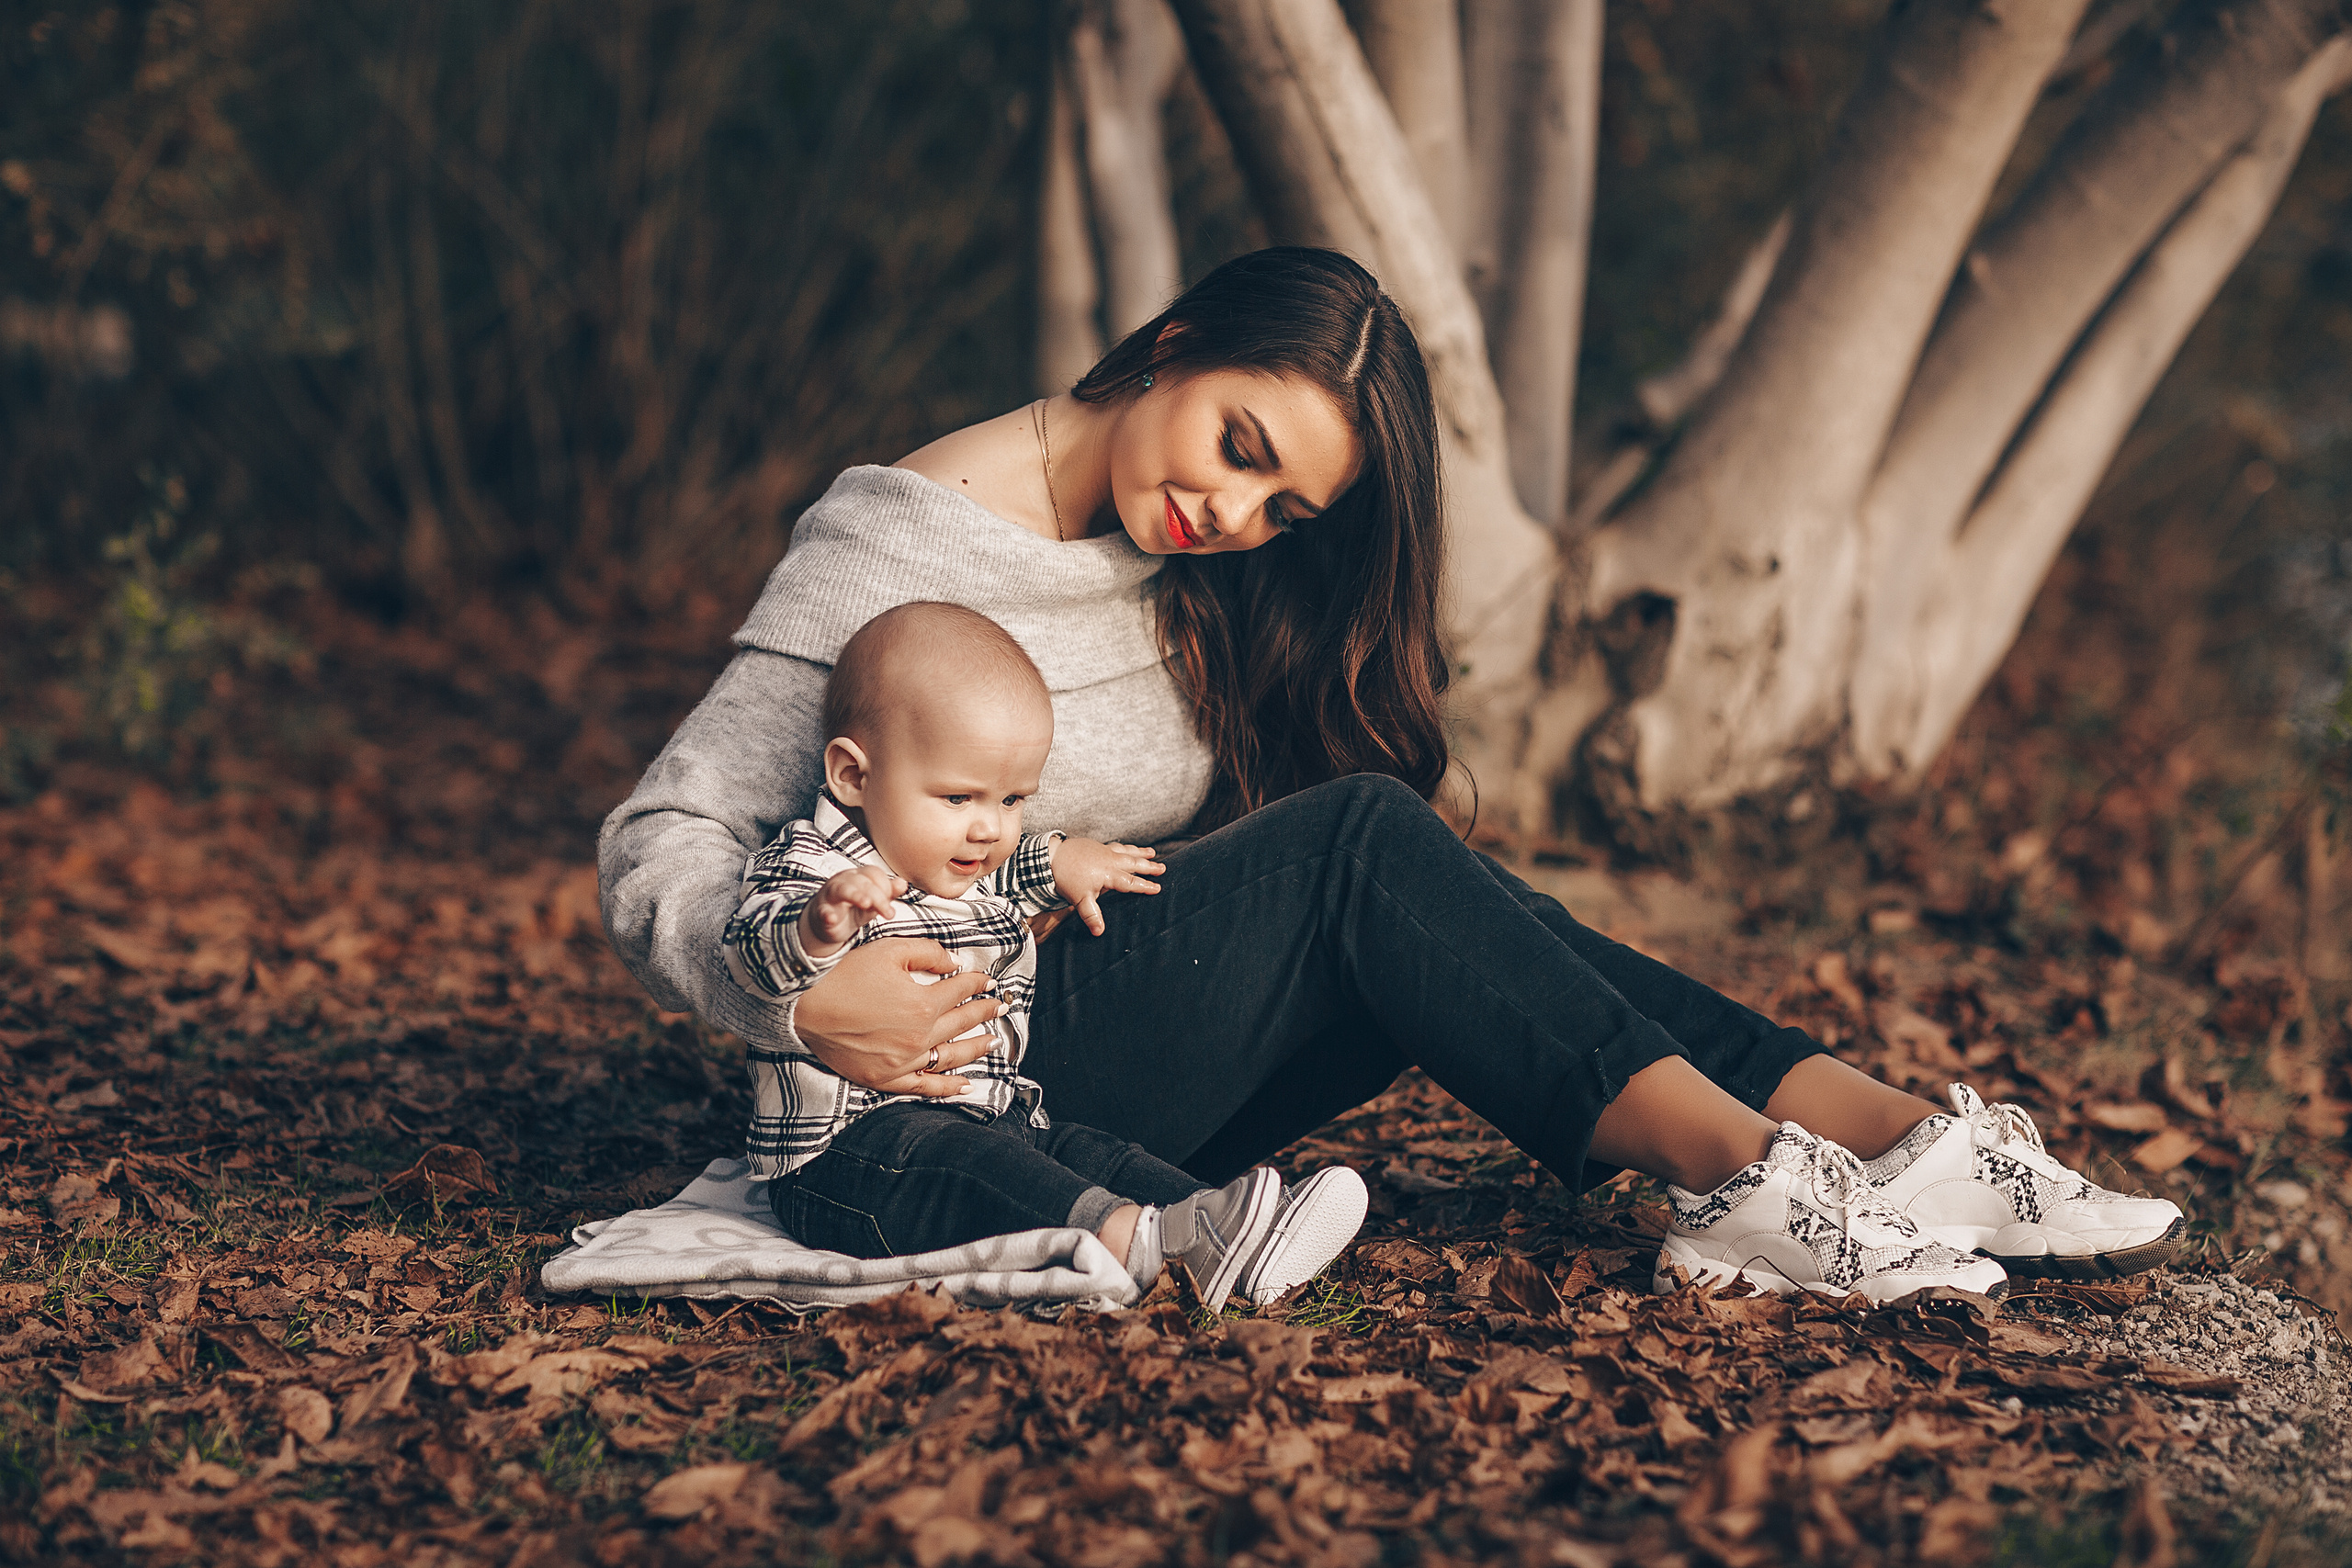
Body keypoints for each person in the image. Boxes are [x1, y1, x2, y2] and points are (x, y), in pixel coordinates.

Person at [601, 246, 2184, 1304]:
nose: (1236, 517)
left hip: (1092, 1014)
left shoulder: (1184, 574)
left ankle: (1901, 1144)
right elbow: (665, 840)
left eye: (1286, 508)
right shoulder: (900, 545)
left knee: (1462, 895)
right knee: (1367, 845)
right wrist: (803, 1002)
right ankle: (1749, 1184)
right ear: (1172, 346)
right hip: (957, 1072)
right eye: (1238, 446)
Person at [718, 599, 1369, 1311]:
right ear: (853, 776)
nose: (987, 827)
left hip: (993, 1111)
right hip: (849, 1159)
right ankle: (1143, 1246)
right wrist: (817, 927)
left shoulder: (948, 859)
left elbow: (1009, 867)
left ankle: (1225, 1224)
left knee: (1082, 1152)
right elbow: (750, 953)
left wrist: (1060, 860)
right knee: (980, 1169)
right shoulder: (811, 866)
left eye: (1012, 798)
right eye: (959, 796)